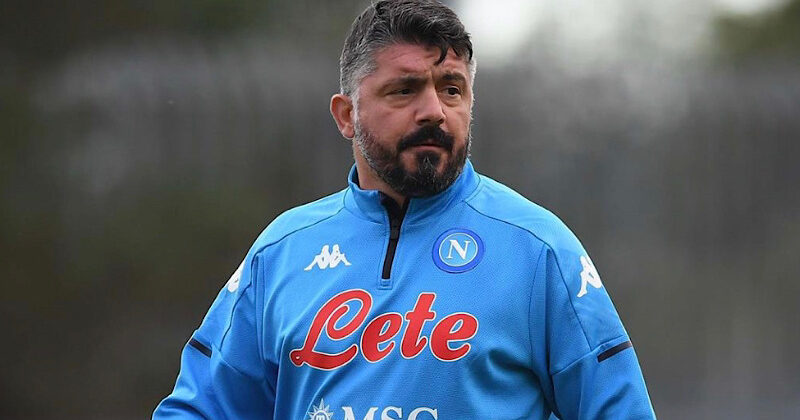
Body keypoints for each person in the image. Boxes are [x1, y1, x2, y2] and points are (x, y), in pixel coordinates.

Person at [153, 1, 656, 419]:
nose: (434, 111)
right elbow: (200, 409)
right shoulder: (281, 252)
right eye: (405, 90)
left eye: (451, 89)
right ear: (347, 115)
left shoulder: (539, 249)